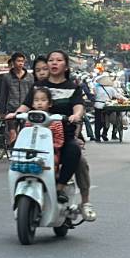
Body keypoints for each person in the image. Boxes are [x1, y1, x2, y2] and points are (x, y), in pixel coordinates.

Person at [42, 50, 92, 219]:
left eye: (58, 60)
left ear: (66, 65)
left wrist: (76, 115)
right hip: (39, 137)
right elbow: (26, 105)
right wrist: (14, 113)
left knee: (78, 157)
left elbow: (78, 106)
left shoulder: (73, 88)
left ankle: (81, 200)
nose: (54, 63)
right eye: (51, 60)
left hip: (64, 137)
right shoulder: (38, 86)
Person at [0, 52, 30, 148]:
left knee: (24, 132)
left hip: (26, 110)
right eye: (18, 61)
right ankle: (13, 151)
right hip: (11, 109)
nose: (21, 63)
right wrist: (1, 111)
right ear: (13, 62)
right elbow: (3, 95)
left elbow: (32, 94)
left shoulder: (29, 77)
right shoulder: (7, 77)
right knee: (12, 131)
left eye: (22, 61)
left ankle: (22, 150)